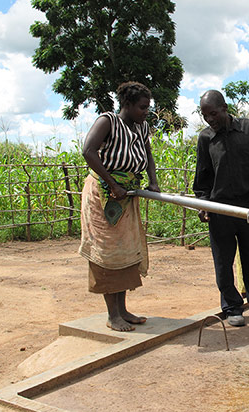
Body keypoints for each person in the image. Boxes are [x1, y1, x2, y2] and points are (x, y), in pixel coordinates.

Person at [79, 81, 160, 332]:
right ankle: (112, 315)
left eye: (148, 107)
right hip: (104, 195)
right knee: (107, 252)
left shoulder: (141, 126)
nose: (146, 112)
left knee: (126, 251)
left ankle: (123, 310)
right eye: (142, 107)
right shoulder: (108, 121)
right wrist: (112, 183)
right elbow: (88, 151)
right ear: (127, 104)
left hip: (126, 194)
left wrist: (153, 182)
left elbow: (148, 155)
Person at [193, 90, 249, 327]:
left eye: (213, 113)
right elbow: (203, 176)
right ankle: (231, 307)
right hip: (220, 210)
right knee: (223, 260)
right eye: (205, 115)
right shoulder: (205, 138)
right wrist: (203, 202)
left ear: (225, 108)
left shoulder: (247, 129)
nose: (210, 119)